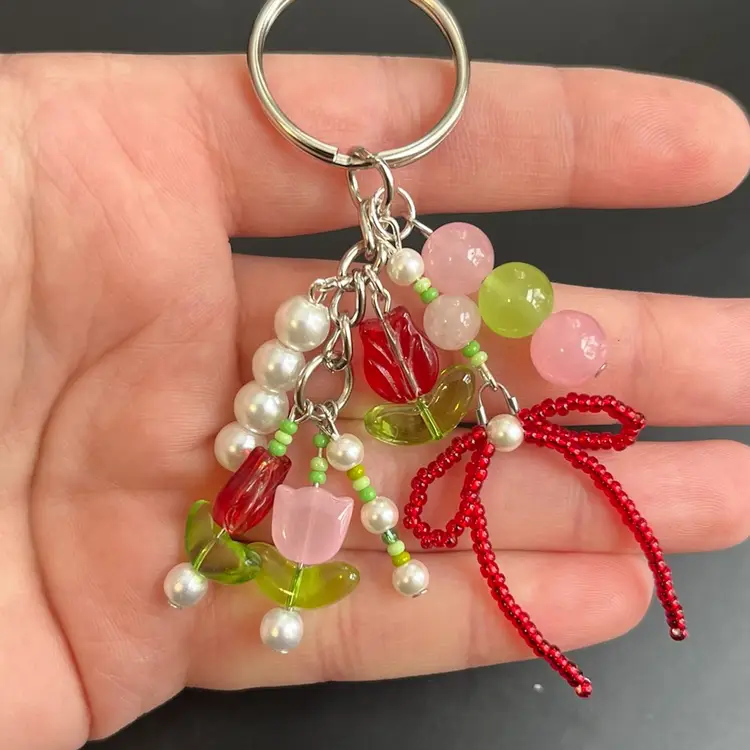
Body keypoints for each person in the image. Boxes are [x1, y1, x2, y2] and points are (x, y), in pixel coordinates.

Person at [1, 51, 749, 749]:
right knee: (294, 440)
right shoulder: (355, 334)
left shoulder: (411, 317)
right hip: (360, 385)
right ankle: (238, 562)